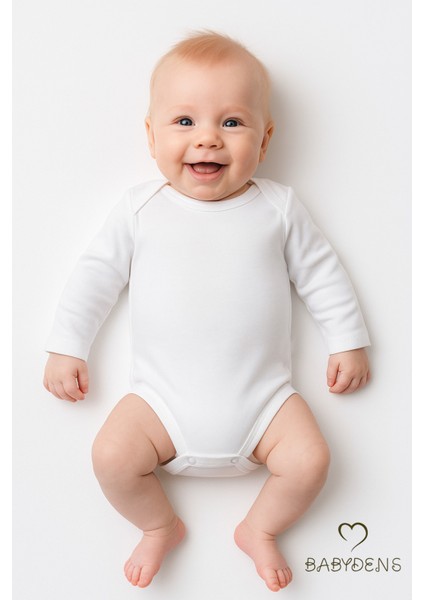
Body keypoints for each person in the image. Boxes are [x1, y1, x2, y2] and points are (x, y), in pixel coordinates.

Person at [43, 31, 371, 593]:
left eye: (232, 122)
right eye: (185, 121)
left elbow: (322, 274)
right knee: (111, 457)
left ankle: (260, 528)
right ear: (152, 135)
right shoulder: (140, 210)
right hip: (159, 404)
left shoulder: (278, 208)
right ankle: (158, 525)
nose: (209, 139)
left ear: (265, 139)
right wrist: (67, 347)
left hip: (265, 403)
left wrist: (348, 339)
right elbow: (94, 277)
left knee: (311, 461)